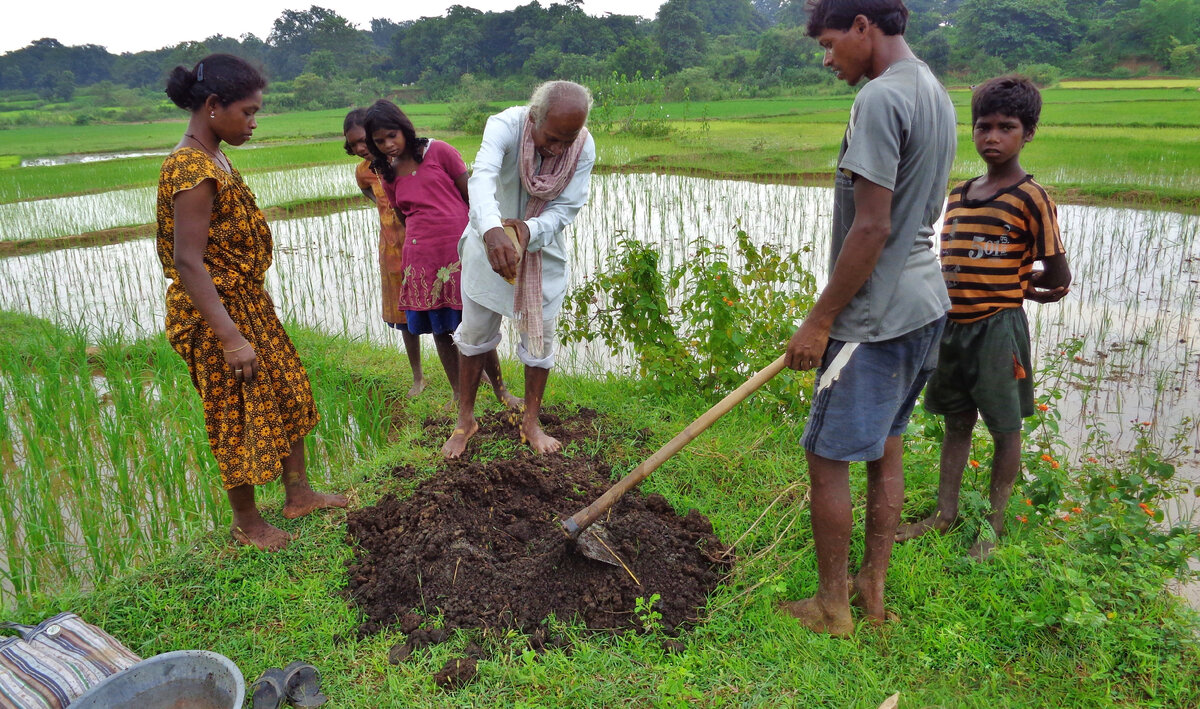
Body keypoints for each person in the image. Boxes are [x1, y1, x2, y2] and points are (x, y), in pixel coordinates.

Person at [780, 0, 956, 636]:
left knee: (826, 456)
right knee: (887, 448)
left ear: (863, 27)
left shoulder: (880, 98)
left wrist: (821, 320)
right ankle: (871, 594)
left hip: (874, 318)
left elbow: (873, 225)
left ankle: (833, 608)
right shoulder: (932, 88)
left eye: (829, 44)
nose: (827, 60)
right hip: (924, 303)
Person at [156, 54, 346, 552]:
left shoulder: (213, 153)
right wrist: (231, 338)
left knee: (288, 390)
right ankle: (246, 522)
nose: (255, 122)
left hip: (246, 302)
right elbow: (189, 262)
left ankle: (299, 495)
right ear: (214, 105)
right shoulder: (191, 168)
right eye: (248, 111)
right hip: (216, 314)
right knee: (234, 413)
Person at [895, 75, 1071, 560]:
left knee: (1005, 427)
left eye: (1006, 127)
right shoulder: (957, 195)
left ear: (1028, 132)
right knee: (956, 422)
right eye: (983, 126)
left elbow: (1058, 272)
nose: (991, 137)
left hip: (998, 328)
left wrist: (1022, 289)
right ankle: (944, 515)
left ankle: (991, 528)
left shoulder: (1030, 196)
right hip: (950, 327)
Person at [442, 81, 596, 459]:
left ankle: (531, 422)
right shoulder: (505, 126)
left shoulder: (583, 146)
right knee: (475, 334)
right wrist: (494, 230)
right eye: (552, 138)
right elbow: (482, 178)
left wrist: (528, 230)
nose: (559, 148)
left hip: (542, 255)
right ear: (534, 118)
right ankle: (465, 420)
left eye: (568, 139)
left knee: (539, 341)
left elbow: (566, 209)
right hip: (487, 248)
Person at [361, 100, 520, 410]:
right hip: (422, 260)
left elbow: (471, 197)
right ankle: (460, 395)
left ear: (404, 129)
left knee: (477, 326)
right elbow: (403, 214)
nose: (388, 145)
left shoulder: (440, 151)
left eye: (392, 135)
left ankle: (502, 392)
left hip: (460, 254)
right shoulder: (388, 172)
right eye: (379, 141)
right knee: (440, 329)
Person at [344, 108, 425, 397]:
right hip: (392, 249)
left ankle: (473, 372)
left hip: (424, 245)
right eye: (354, 145)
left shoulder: (406, 160)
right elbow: (374, 198)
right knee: (404, 317)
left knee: (446, 310)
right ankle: (418, 377)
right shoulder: (364, 172)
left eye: (365, 140)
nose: (361, 148)